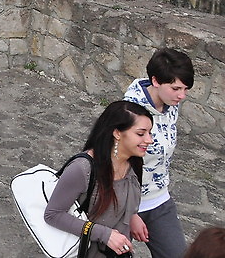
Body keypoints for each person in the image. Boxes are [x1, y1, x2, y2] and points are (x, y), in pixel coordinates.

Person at [45, 100, 154, 258]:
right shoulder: (82, 169)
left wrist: (131, 215)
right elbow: (53, 214)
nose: (149, 140)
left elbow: (122, 199)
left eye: (150, 133)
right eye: (141, 134)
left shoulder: (134, 163)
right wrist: (105, 234)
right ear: (117, 133)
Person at [124, 48, 195, 258]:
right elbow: (115, 163)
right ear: (155, 81)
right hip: (123, 203)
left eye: (185, 89)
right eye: (176, 88)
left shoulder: (171, 105)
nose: (182, 95)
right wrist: (130, 213)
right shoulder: (128, 112)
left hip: (158, 199)